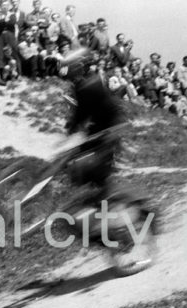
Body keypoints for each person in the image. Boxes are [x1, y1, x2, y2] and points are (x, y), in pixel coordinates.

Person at [59, 47, 125, 202]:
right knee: (86, 160)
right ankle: (101, 195)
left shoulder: (87, 85)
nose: (66, 73)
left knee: (91, 163)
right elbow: (82, 112)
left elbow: (81, 113)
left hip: (107, 128)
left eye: (68, 68)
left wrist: (71, 129)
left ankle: (107, 198)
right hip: (103, 125)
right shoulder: (87, 82)